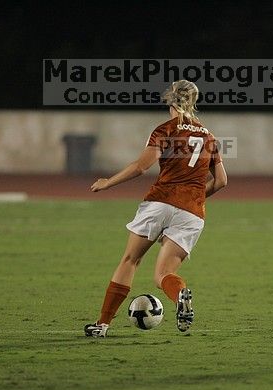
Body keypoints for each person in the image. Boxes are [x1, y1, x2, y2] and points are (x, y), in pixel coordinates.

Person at [84, 80, 228, 337]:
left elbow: (141, 167)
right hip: (192, 212)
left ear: (170, 101)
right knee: (164, 273)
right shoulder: (209, 136)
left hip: (160, 203)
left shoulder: (165, 130)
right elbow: (221, 181)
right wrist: (194, 196)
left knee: (131, 260)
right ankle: (180, 294)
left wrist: (108, 183)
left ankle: (103, 324)